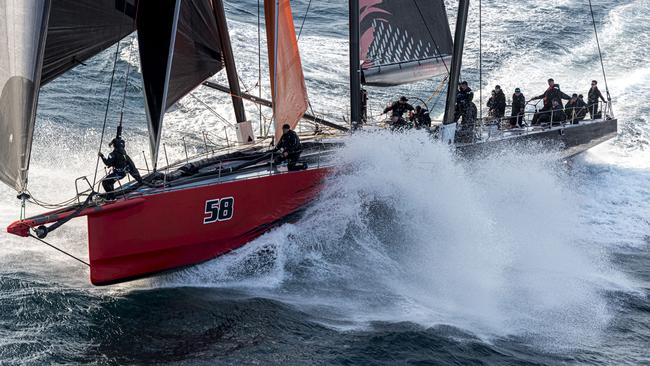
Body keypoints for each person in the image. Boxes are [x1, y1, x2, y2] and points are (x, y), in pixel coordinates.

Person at [98, 130, 141, 200]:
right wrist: (113, 140)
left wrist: (101, 155)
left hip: (119, 173)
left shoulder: (112, 154)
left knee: (105, 182)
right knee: (110, 181)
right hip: (124, 172)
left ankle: (112, 197)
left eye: (112, 144)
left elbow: (107, 163)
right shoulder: (123, 149)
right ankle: (111, 194)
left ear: (114, 146)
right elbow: (118, 138)